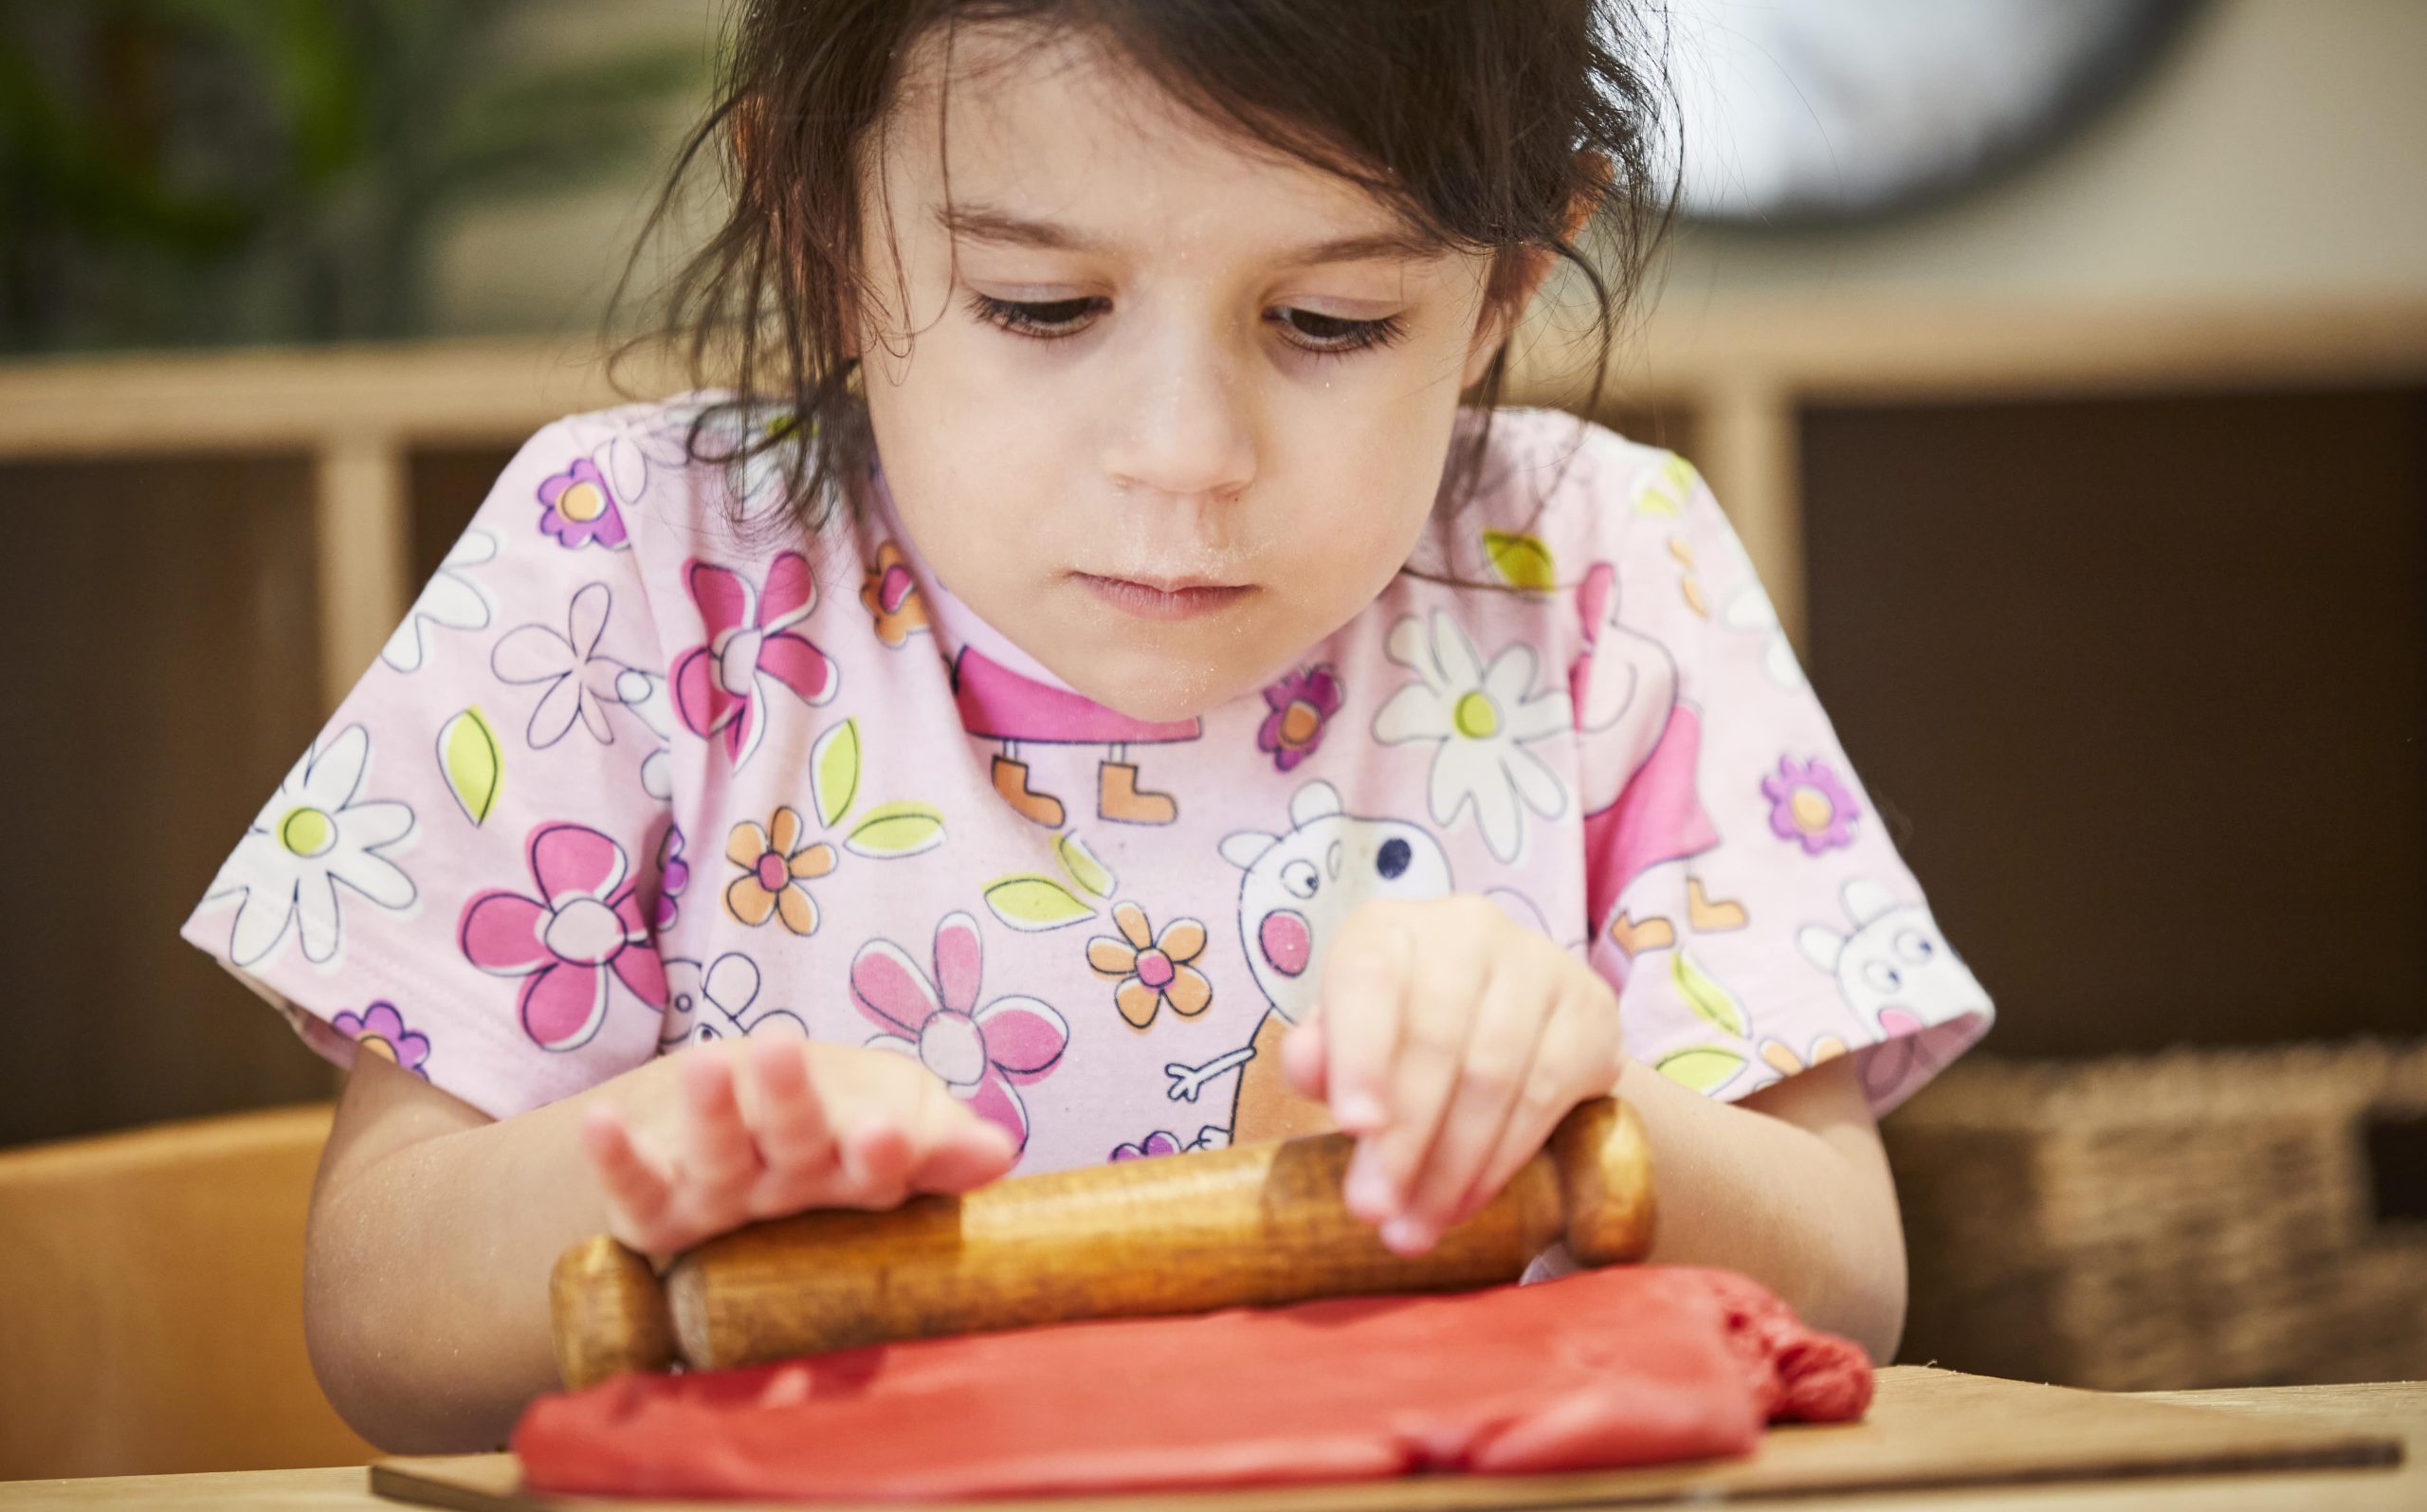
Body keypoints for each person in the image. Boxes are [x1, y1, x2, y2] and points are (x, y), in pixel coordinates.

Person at [183, 0, 1993, 1452]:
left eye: (1332, 318)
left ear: (1510, 285)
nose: (1182, 457)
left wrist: (1581, 1130)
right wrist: (652, 1168)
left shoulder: (1595, 576)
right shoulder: (635, 572)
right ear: (823, 225)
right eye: (1041, 305)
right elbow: (379, 1325)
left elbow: (1851, 1284)